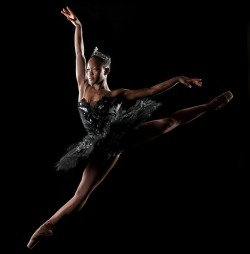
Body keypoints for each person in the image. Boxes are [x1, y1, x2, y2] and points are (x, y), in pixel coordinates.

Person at [27, 6, 233, 250]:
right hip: (98, 145)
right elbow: (78, 55)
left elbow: (152, 91)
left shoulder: (117, 94)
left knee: (170, 122)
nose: (91, 73)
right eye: (89, 69)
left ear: (106, 70)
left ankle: (209, 105)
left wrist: (177, 79)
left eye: (96, 70)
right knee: (82, 192)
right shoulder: (82, 86)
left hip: (120, 137)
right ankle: (48, 225)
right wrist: (78, 27)